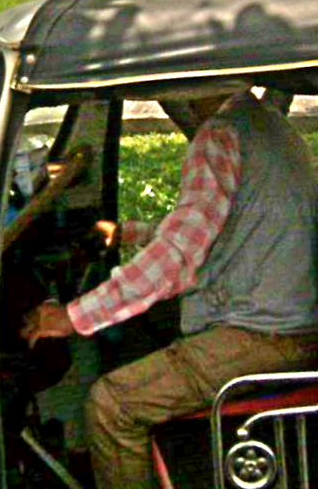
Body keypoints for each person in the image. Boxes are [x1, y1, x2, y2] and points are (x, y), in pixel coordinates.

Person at [21, 90, 318, 488]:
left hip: (263, 335)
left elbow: (176, 258)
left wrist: (72, 317)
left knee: (112, 404)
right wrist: (128, 234)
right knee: (136, 334)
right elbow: (213, 229)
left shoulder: (219, 136)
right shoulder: (266, 124)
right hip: (292, 324)